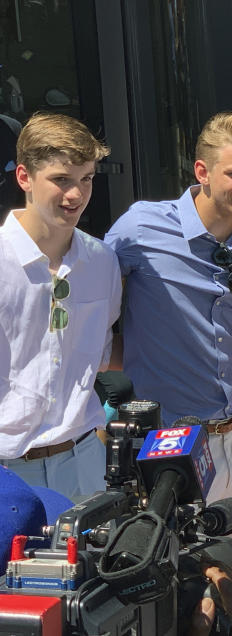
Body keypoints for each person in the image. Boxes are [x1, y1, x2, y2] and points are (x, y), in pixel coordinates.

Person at [104, 112, 232, 594]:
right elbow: (94, 316)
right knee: (174, 593)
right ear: (202, 172)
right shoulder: (140, 229)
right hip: (170, 443)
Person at [0, 113, 118, 498]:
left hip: (84, 462)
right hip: (9, 472)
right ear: (24, 178)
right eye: (61, 180)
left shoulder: (102, 261)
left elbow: (100, 354)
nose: (76, 195)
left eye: (86, 179)